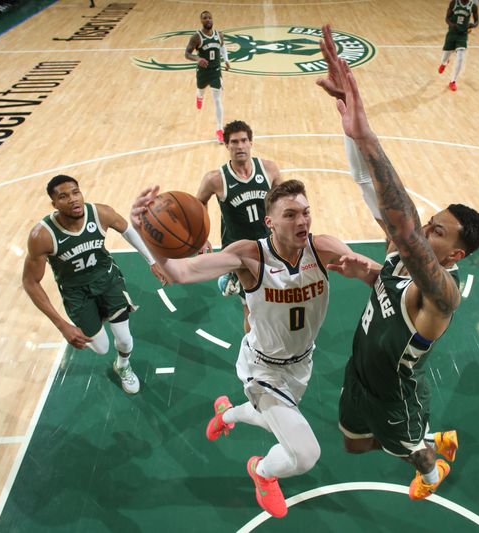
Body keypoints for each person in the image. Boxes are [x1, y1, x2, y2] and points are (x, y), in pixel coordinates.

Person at [130, 179, 378, 518]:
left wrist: (372, 273)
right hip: (261, 367)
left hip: (301, 364)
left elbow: (379, 276)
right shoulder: (249, 255)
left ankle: (226, 414)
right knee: (305, 454)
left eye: (306, 213)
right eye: (290, 215)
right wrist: (145, 232)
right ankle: (262, 472)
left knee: (269, 417)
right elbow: (180, 273)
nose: (302, 221)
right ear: (270, 222)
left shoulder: (323, 248)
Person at [317, 24, 479, 500]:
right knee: (355, 446)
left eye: (438, 231)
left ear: (455, 255)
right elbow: (370, 189)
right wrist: (369, 273)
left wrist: (367, 134)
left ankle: (433, 470)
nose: (425, 229)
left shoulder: (442, 296)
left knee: (408, 451)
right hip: (359, 375)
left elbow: (404, 227)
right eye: (430, 222)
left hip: (396, 398)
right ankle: (429, 441)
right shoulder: (396, 259)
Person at [22, 175, 166, 394]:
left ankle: (123, 366)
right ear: (54, 204)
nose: (72, 199)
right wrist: (62, 325)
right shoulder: (42, 236)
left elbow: (128, 230)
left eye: (75, 192)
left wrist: (152, 261)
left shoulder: (100, 213)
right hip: (76, 294)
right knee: (101, 348)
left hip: (107, 281)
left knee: (125, 341)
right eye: (63, 196)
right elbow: (30, 282)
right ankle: (95, 318)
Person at [195, 119, 283, 333]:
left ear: (251, 142)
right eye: (234, 142)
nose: (239, 146)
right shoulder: (216, 179)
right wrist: (201, 237)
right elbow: (198, 204)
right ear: (227, 146)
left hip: (269, 244)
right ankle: (252, 353)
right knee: (251, 309)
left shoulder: (269, 169)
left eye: (244, 140)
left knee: (277, 299)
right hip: (239, 250)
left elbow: (284, 201)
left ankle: (229, 275)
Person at [185, 11, 230, 143]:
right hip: (203, 71)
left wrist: (226, 60)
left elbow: (223, 47)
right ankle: (199, 96)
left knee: (217, 100)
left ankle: (219, 130)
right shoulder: (196, 37)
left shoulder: (219, 34)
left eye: (210, 17)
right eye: (205, 18)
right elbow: (187, 54)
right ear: (201, 21)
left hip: (216, 71)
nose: (208, 20)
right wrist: (197, 58)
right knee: (200, 90)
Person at [438, 0, 479, 92]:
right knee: (444, 58)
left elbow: (477, 21)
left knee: (460, 58)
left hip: (463, 35)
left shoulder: (473, 6)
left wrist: (473, 25)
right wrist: (452, 25)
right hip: (452, 33)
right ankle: (444, 63)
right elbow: (447, 18)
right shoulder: (454, 3)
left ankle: (453, 81)